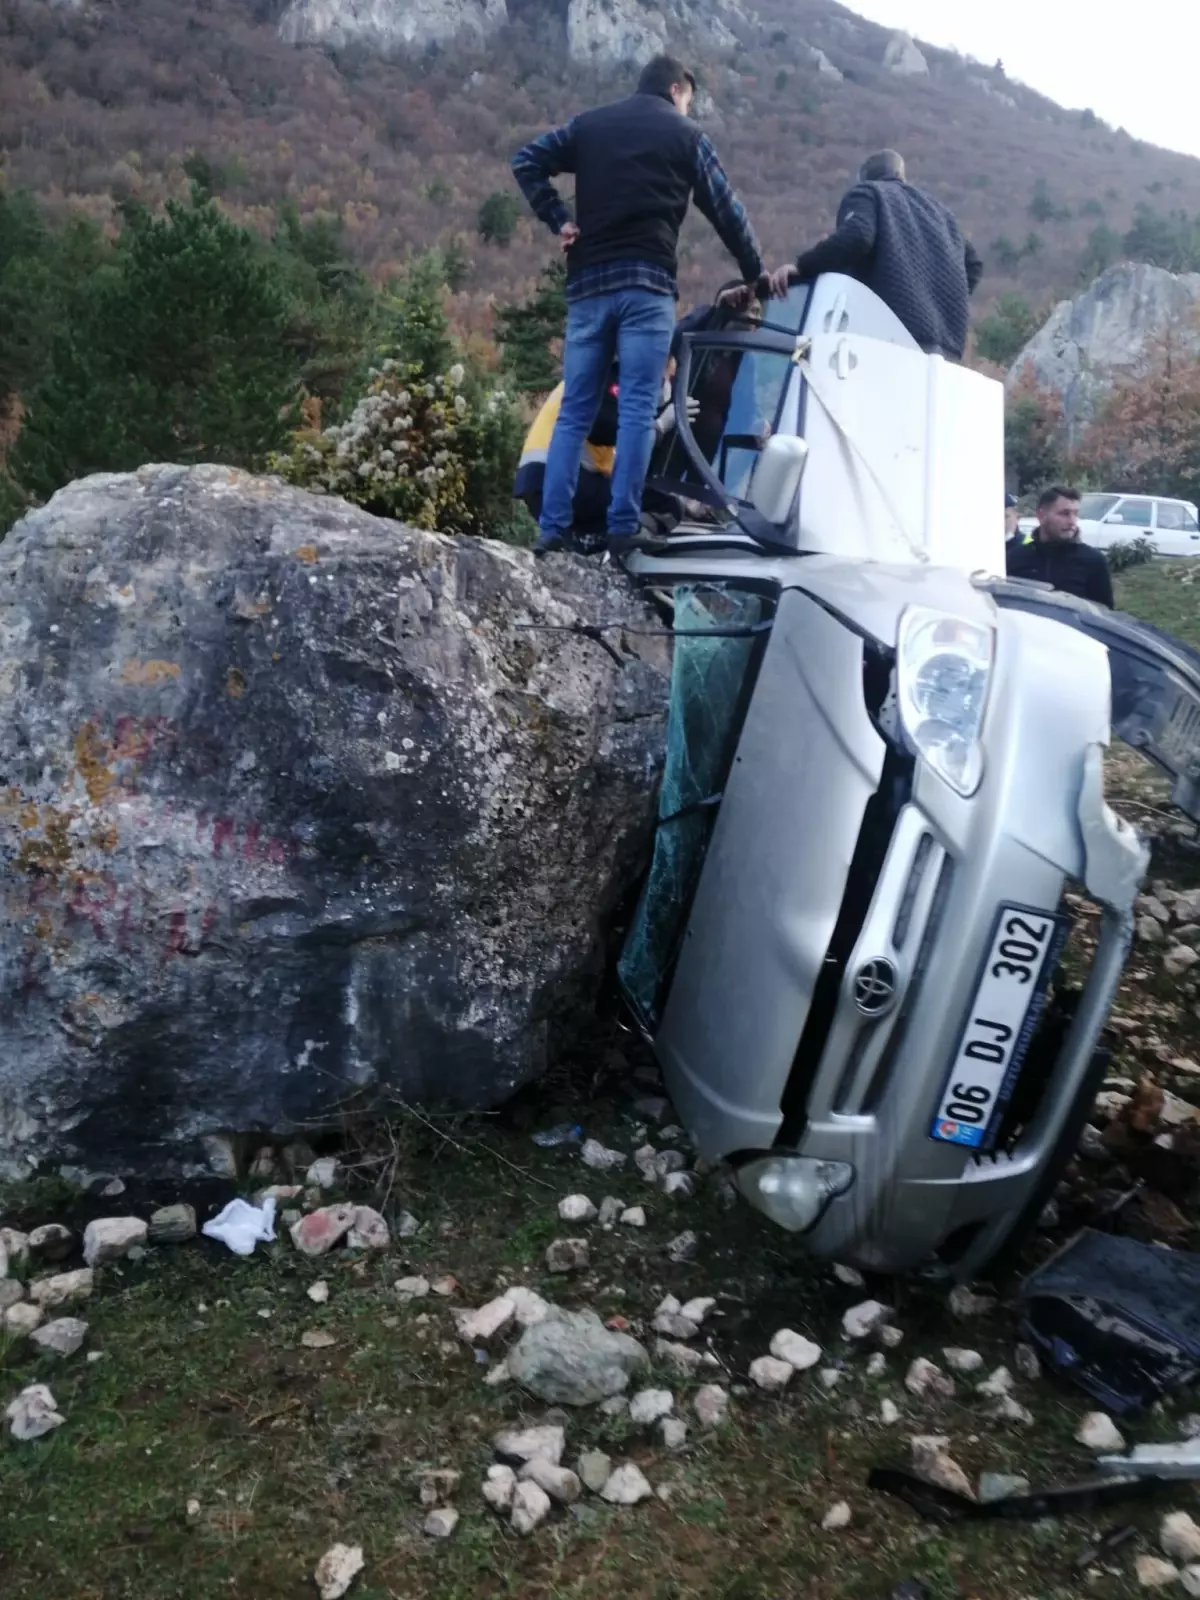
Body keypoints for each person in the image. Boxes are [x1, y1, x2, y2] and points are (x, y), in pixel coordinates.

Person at [511, 54, 765, 559]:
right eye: (688, 101)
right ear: (676, 91)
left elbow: (526, 161)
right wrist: (755, 273)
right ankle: (623, 529)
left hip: (588, 288)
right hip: (646, 289)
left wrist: (559, 218)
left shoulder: (590, 126)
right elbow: (726, 209)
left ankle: (552, 531)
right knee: (635, 412)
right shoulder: (685, 135)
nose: (687, 109)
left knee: (575, 412)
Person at [760, 150, 983, 360]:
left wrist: (803, 267)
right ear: (901, 175)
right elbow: (973, 265)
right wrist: (941, 299)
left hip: (889, 338)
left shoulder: (869, 192)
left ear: (865, 178)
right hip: (947, 352)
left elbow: (857, 236)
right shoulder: (941, 214)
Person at [514, 365, 693, 548]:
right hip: (562, 481)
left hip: (541, 482)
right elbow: (602, 429)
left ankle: (588, 546)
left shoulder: (592, 373)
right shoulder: (614, 376)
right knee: (667, 507)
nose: (669, 379)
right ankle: (625, 542)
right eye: (669, 373)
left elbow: (615, 456)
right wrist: (659, 425)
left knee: (579, 540)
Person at [1006, 484, 1114, 607]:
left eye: (1075, 513)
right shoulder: (1016, 558)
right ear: (1041, 515)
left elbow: (1104, 614)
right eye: (1064, 513)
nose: (1072, 521)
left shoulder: (1093, 561)